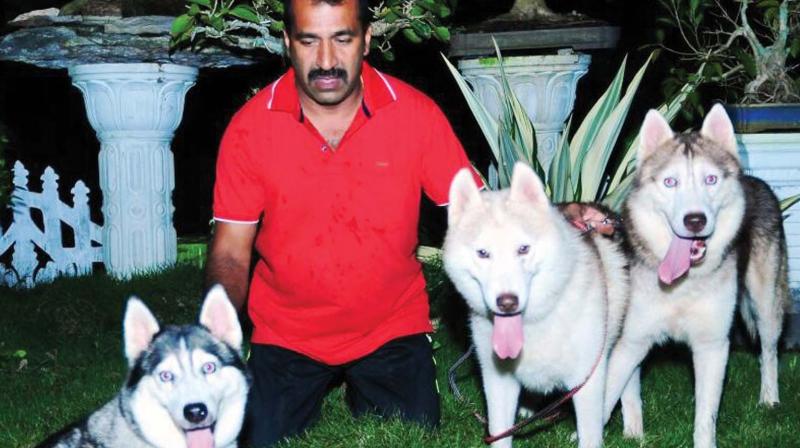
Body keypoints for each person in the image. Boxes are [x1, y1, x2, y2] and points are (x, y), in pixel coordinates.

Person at [206, 0, 483, 445]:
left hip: (390, 326)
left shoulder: (415, 114)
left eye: (342, 39)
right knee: (250, 437)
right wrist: (213, 331)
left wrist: (553, 215)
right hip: (286, 332)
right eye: (309, 41)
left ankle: (377, 383)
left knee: (411, 437)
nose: (327, 61)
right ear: (287, 44)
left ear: (366, 40)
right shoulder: (249, 129)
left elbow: (480, 213)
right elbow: (230, 252)